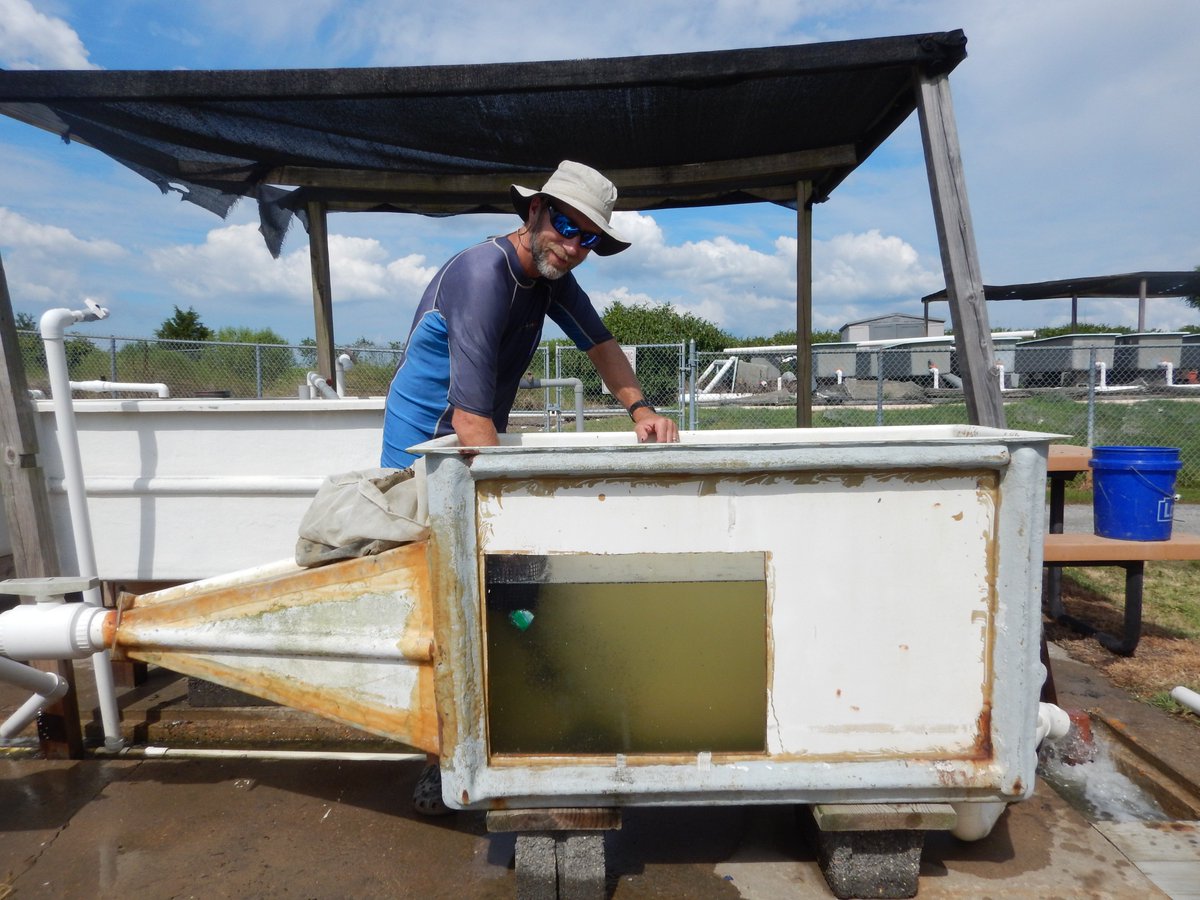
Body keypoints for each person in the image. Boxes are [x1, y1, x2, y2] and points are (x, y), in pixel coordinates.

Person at [380, 160, 679, 814]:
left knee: (509, 600)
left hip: (467, 448)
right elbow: (468, 418)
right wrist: (509, 521)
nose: (574, 247)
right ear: (535, 210)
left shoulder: (551, 279)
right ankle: (439, 761)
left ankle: (514, 726)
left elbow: (601, 345)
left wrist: (641, 409)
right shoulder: (483, 275)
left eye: (590, 239)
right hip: (423, 459)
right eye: (567, 226)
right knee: (451, 609)